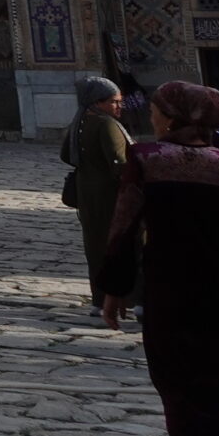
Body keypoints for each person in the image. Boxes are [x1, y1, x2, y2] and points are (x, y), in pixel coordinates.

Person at [100, 80, 219, 436]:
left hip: (170, 298)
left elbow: (122, 230)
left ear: (171, 120)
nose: (152, 119)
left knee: (179, 392)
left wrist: (115, 289)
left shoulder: (147, 160)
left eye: (154, 113)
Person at [61, 76, 131, 306]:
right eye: (114, 101)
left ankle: (99, 299)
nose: (119, 106)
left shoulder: (78, 122)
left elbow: (65, 155)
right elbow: (119, 163)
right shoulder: (106, 124)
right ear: (97, 102)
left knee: (96, 248)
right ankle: (128, 299)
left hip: (87, 196)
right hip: (110, 197)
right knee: (122, 247)